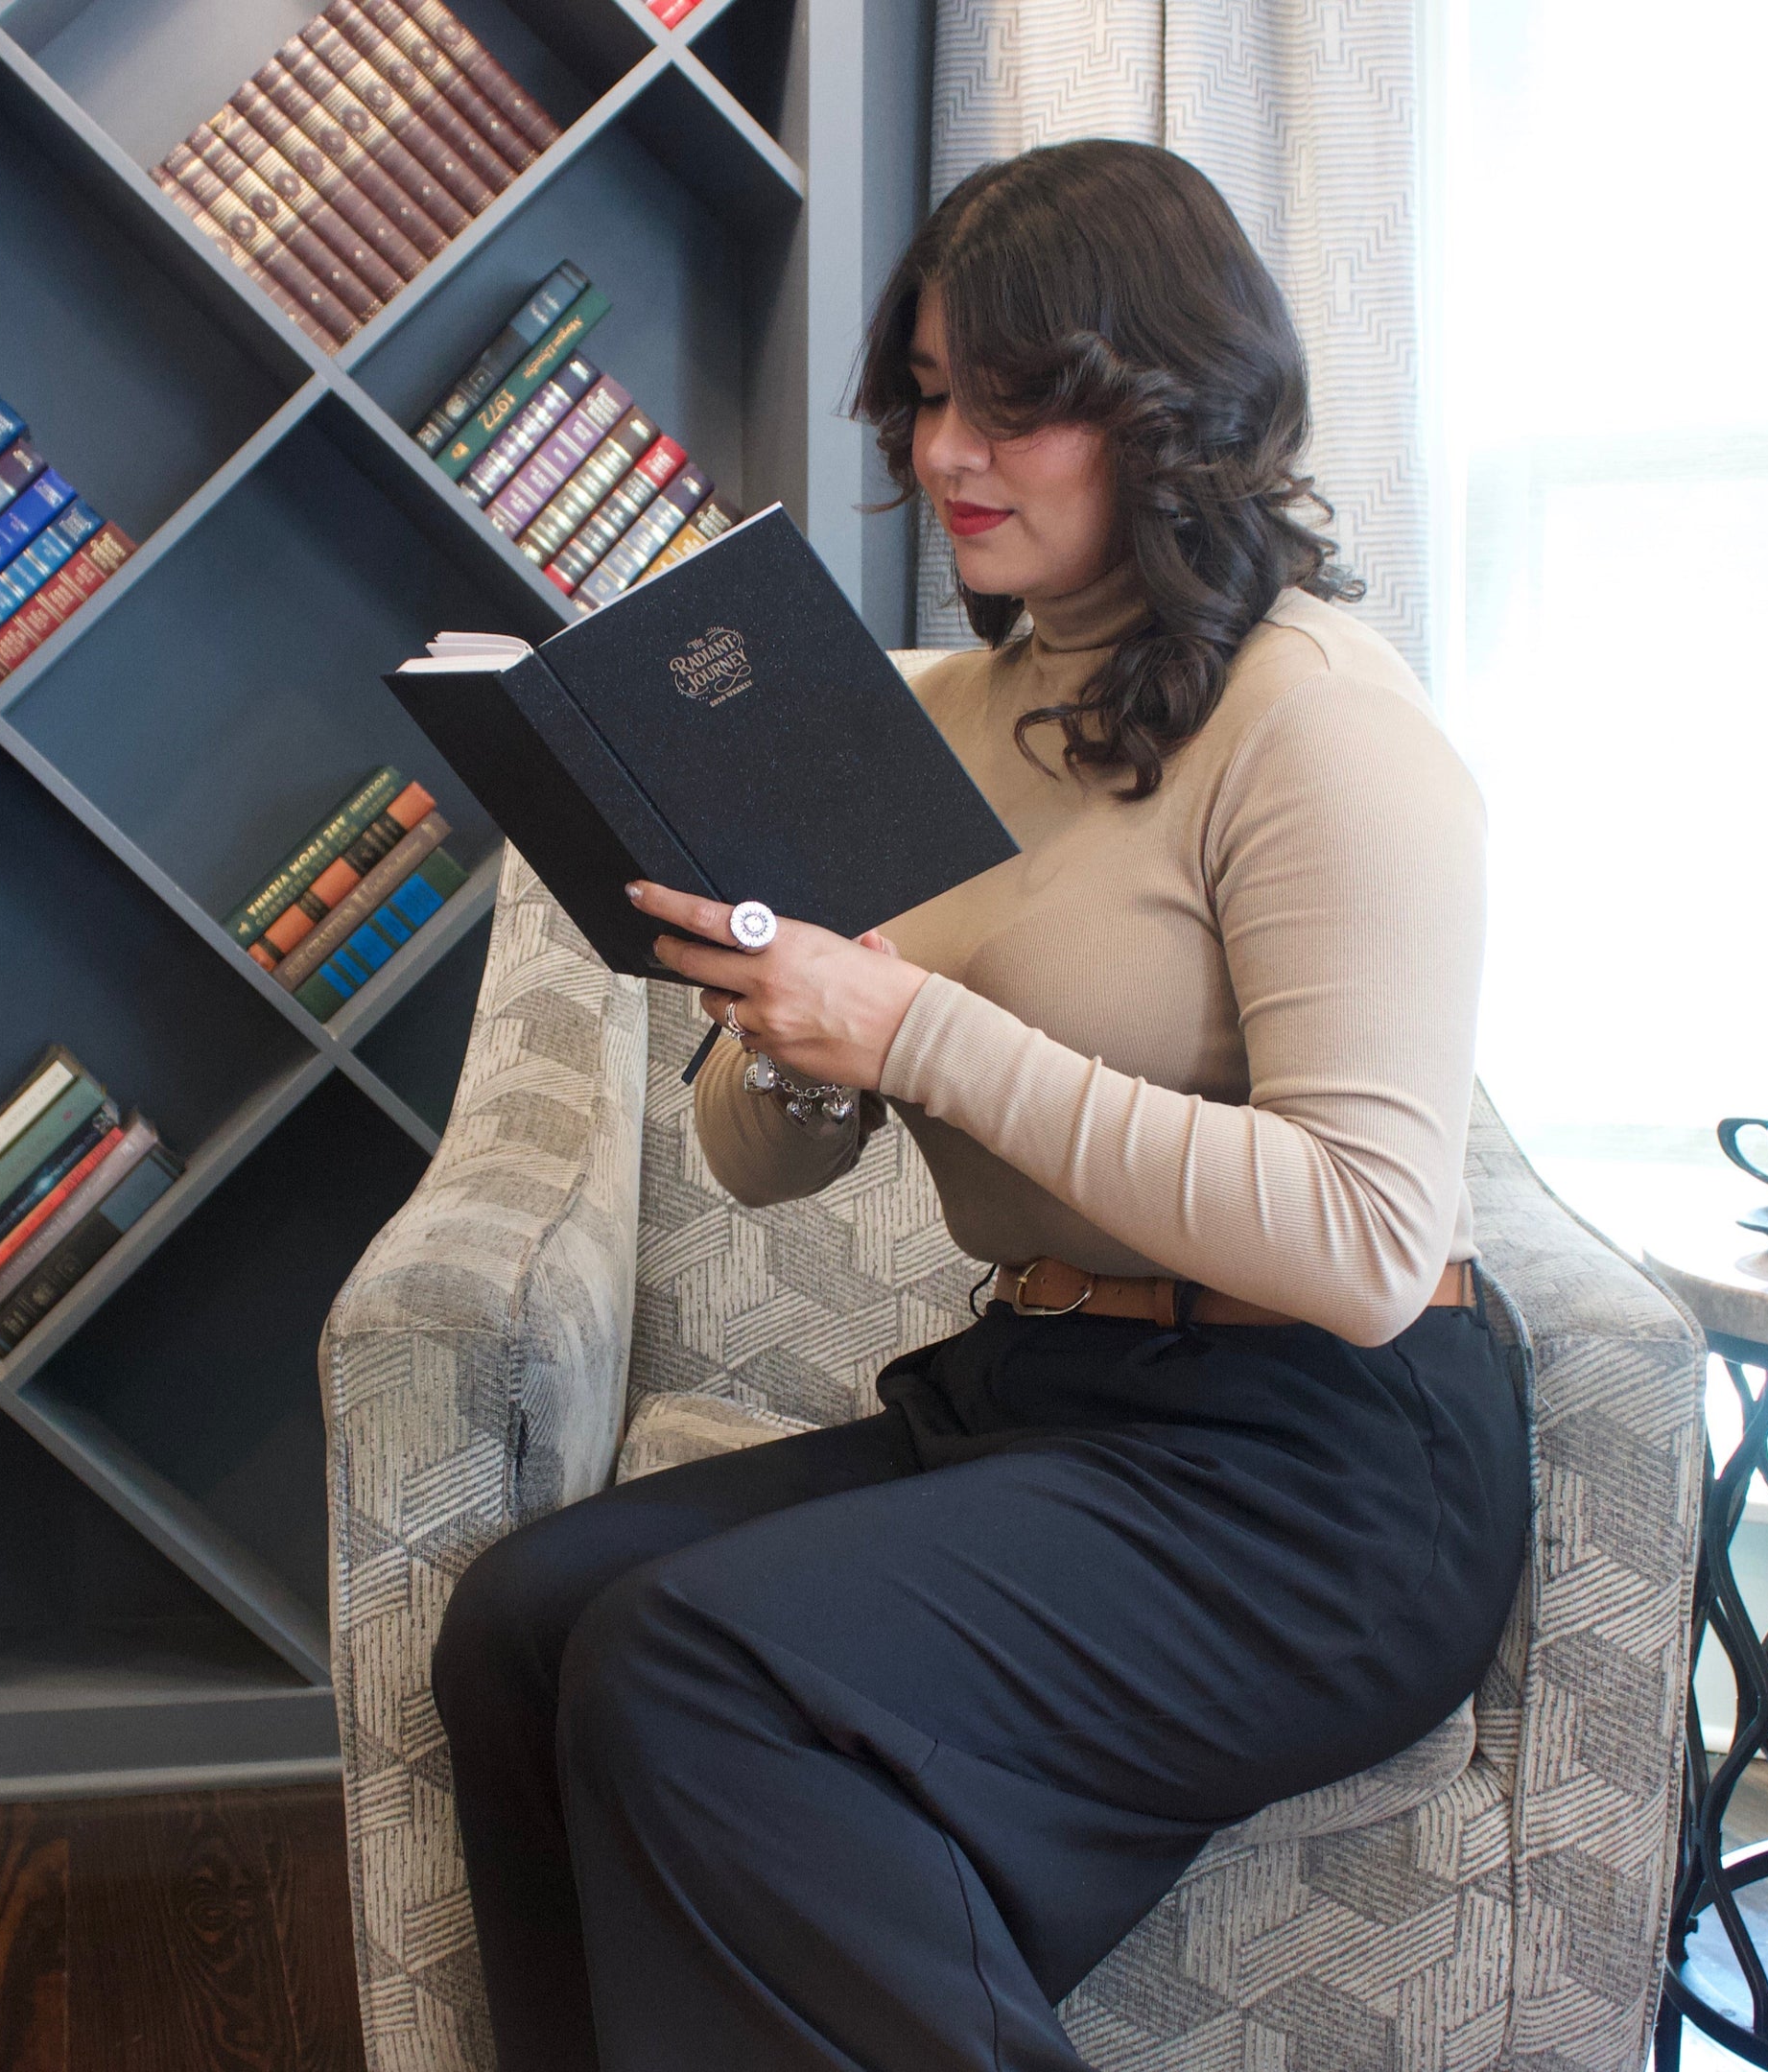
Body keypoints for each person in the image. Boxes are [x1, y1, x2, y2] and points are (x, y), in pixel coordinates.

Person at [428, 137, 1517, 2070]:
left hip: (1318, 1472)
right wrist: (779, 1029)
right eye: (929, 396)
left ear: (1173, 409)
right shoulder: (926, 723)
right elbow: (759, 1167)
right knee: (528, 1622)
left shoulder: (1321, 722)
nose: (946, 453)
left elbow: (1363, 1246)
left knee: (690, 1670)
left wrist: (916, 1028)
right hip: (1045, 1404)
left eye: (1017, 405)